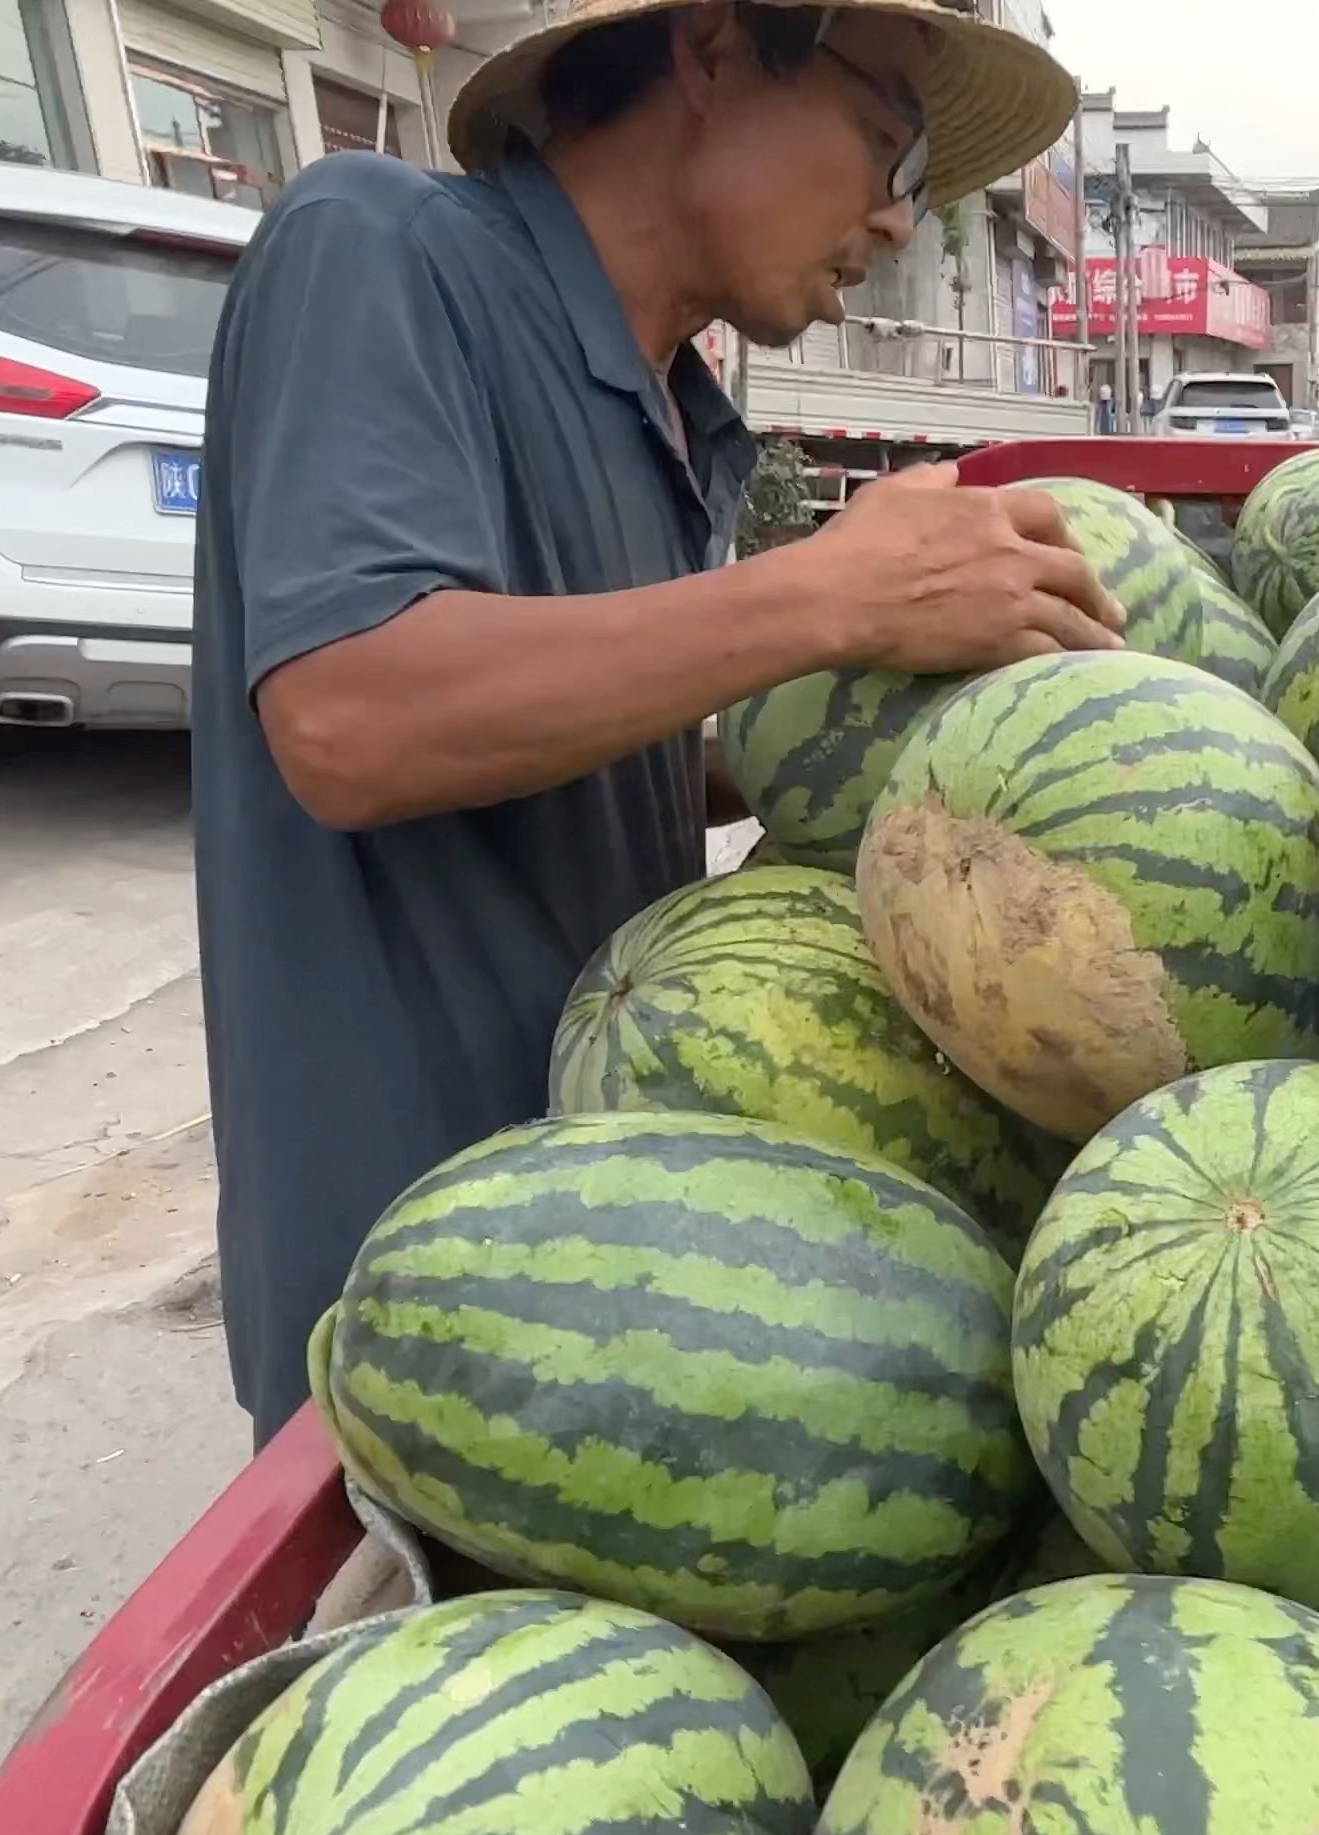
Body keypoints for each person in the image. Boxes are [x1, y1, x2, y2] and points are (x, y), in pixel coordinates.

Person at [191, 0, 1116, 1446]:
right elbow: (352, 716)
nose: (894, 216)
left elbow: (587, 729)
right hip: (419, 1286)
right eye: (890, 138)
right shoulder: (377, 248)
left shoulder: (679, 414)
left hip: (638, 1265)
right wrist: (825, 600)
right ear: (712, 48)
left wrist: (853, 755)